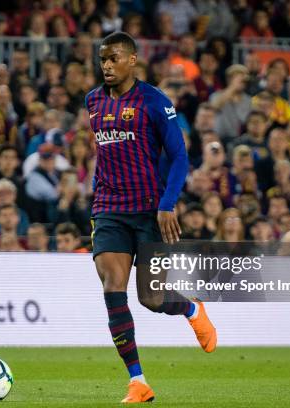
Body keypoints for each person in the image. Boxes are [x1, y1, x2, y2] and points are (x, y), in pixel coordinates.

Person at [85, 32, 216, 403]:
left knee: (152, 299)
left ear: (132, 60)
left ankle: (191, 307)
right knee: (113, 286)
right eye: (102, 59)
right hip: (109, 209)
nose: (107, 66)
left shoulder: (155, 102)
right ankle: (138, 381)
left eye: (113, 58)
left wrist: (167, 203)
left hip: (149, 211)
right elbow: (103, 154)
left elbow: (178, 156)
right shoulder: (92, 101)